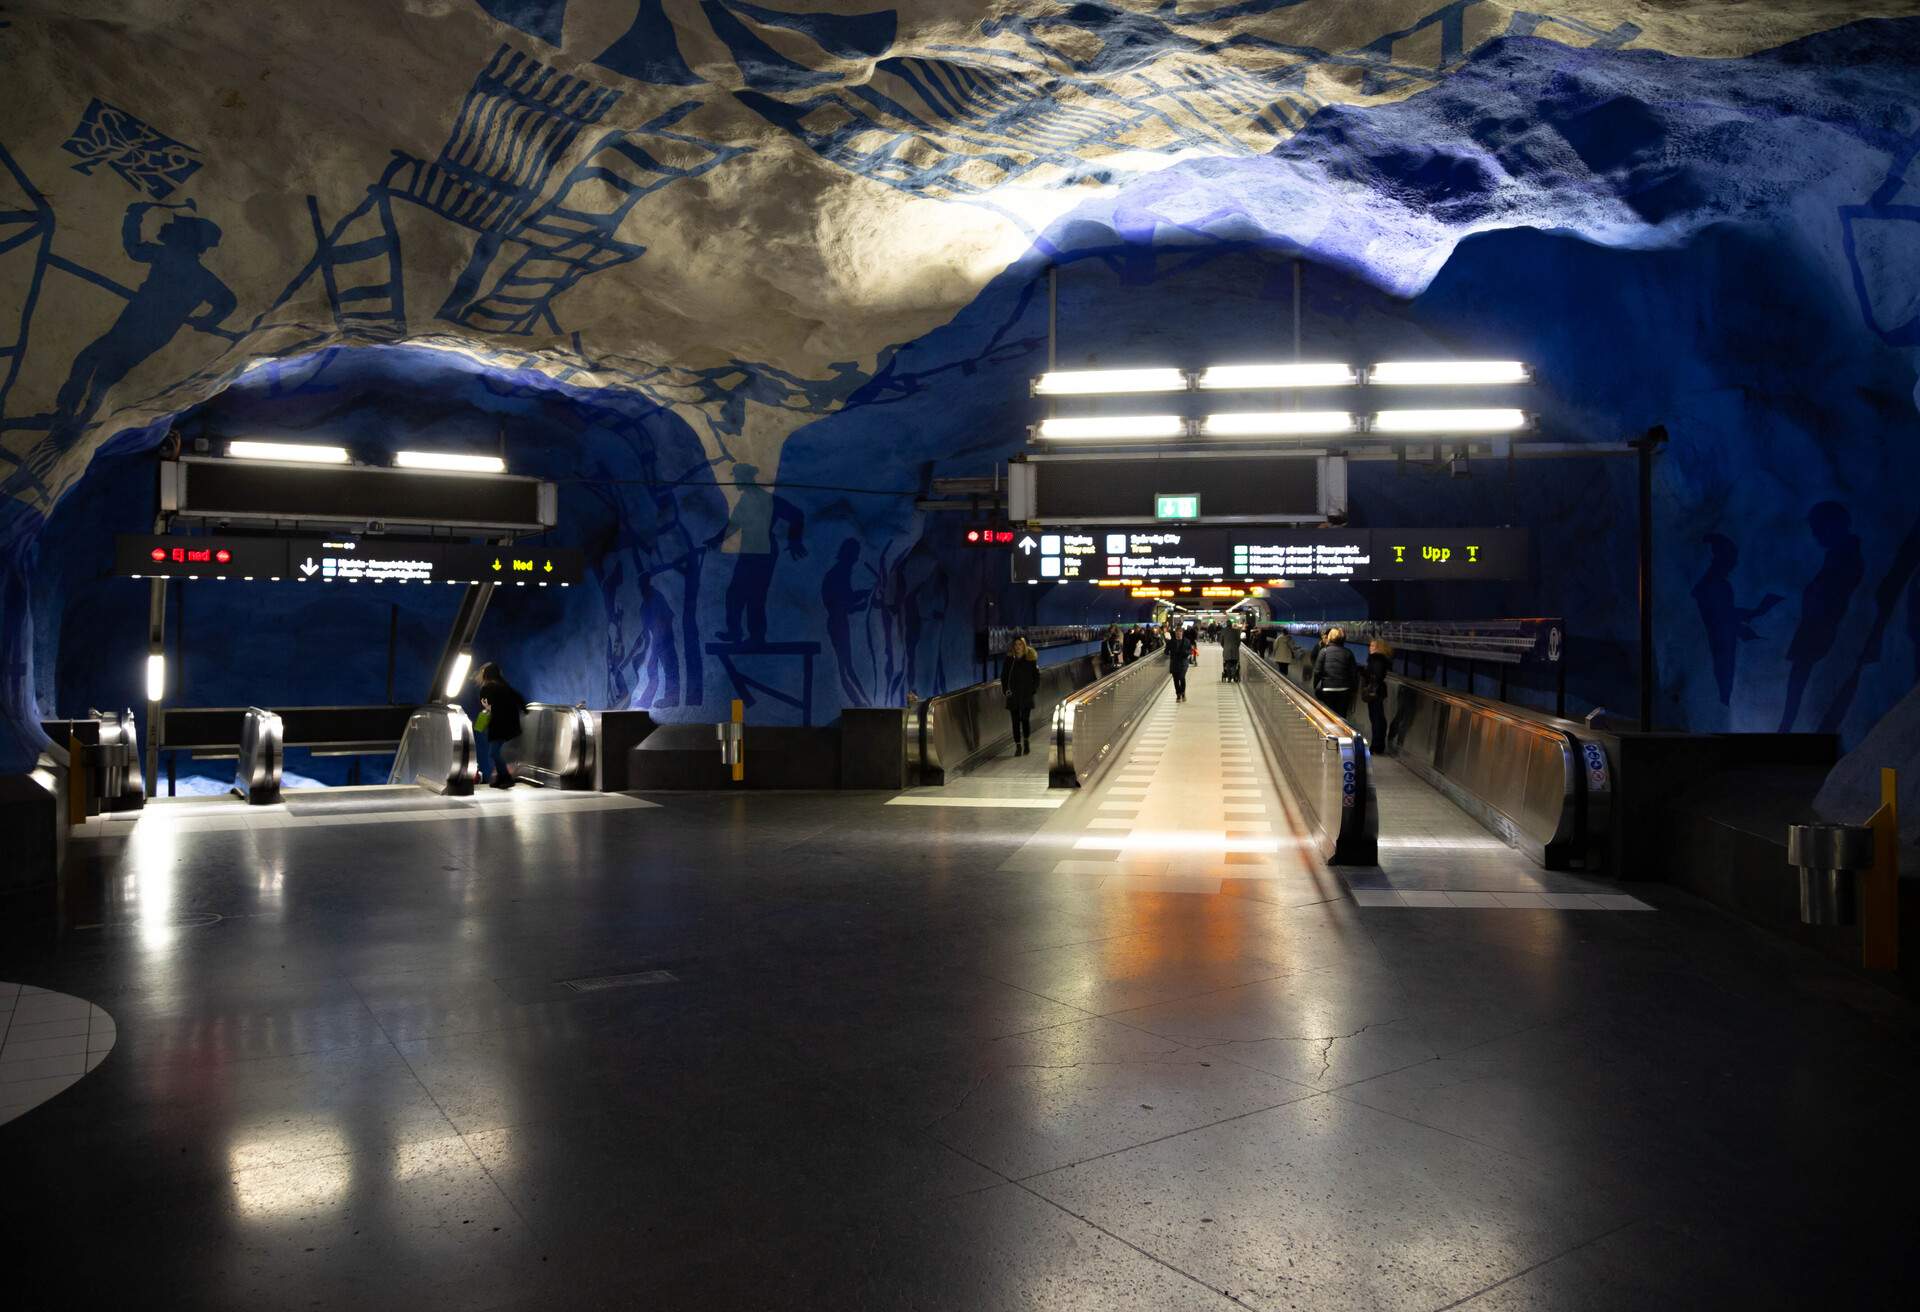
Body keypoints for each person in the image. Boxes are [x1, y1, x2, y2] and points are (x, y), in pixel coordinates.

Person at [475, 661, 527, 788]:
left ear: (486, 675)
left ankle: (506, 778)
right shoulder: (505, 686)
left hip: (498, 725)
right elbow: (519, 698)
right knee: (495, 752)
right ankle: (501, 777)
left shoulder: (486, 688)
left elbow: (486, 708)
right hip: (509, 725)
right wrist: (525, 710)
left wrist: (481, 723)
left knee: (494, 753)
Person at [1000, 636, 1041, 755]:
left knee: (1025, 719)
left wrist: (1033, 689)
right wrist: (1006, 690)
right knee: (1015, 721)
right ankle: (1018, 746)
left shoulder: (1030, 659)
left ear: (1024, 646)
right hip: (1013, 695)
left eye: (1020, 644)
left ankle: (1026, 741)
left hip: (1026, 694)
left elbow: (1036, 676)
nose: (1017, 647)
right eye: (1016, 645)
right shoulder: (1009, 660)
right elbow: (1004, 677)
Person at [1311, 626, 1358, 718]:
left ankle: (1330, 731)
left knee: (1328, 715)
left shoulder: (1323, 651)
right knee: (1341, 715)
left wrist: (1315, 686)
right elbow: (1353, 674)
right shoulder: (1348, 653)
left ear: (1330, 637)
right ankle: (1341, 731)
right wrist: (1353, 689)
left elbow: (1317, 671)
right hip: (1344, 690)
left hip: (1327, 689)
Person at [1361, 638, 1394, 751]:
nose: (1370, 648)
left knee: (1376, 718)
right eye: (1370, 645)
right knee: (1376, 717)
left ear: (1379, 648)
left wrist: (1365, 674)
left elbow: (1377, 676)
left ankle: (1377, 745)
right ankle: (1378, 743)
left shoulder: (1377, 660)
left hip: (1375, 692)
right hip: (1377, 691)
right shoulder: (1377, 659)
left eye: (1373, 646)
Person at [1166, 624, 1193, 702]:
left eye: (1180, 632)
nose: (1178, 633)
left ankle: (1183, 693)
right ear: (1175, 633)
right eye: (1177, 632)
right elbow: (1166, 651)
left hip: (1183, 663)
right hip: (1174, 663)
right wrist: (1167, 651)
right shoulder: (1171, 642)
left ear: (1182, 633)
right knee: (1175, 680)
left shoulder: (1187, 641)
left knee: (1182, 677)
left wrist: (1186, 653)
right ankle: (1178, 695)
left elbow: (1190, 650)